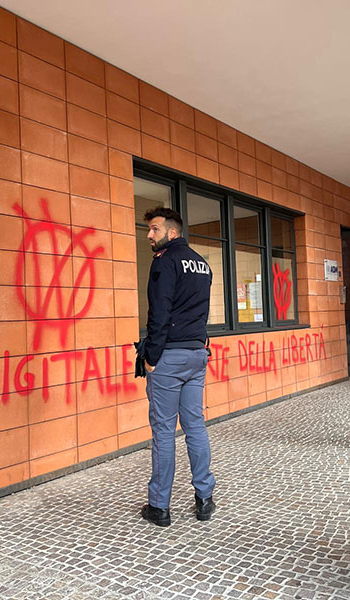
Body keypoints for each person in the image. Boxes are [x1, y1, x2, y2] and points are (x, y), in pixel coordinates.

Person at [138, 207, 216, 527]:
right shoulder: (202, 264)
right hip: (197, 353)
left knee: (164, 431)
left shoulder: (165, 261)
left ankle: (159, 506)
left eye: (154, 229)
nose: (149, 235)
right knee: (195, 426)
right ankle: (205, 499)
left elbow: (159, 312)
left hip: (169, 357)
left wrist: (151, 358)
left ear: (172, 232)